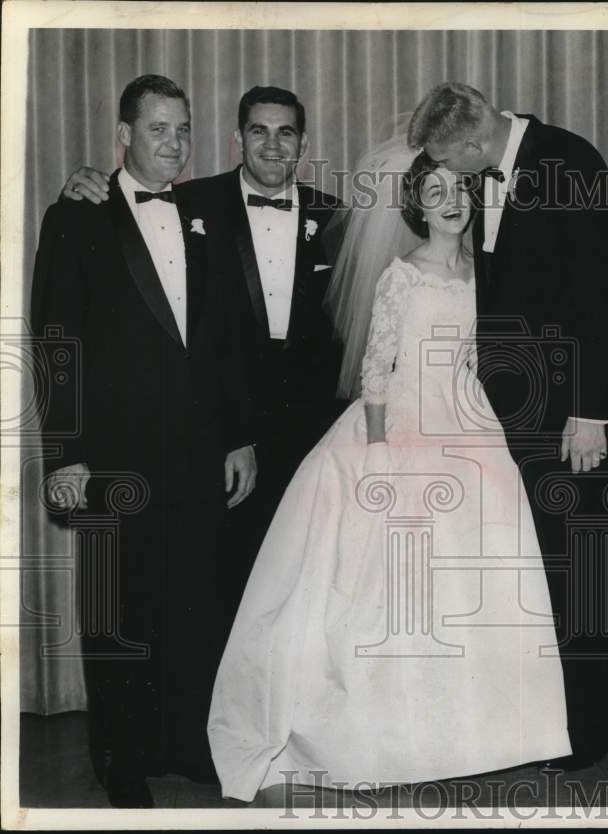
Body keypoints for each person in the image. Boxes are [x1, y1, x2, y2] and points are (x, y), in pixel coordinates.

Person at [207, 150, 572, 800]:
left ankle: (479, 733)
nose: (451, 201)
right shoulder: (401, 276)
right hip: (401, 429)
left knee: (480, 580)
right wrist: (377, 455)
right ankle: (391, 736)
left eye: (459, 188)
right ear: (418, 204)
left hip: (472, 425)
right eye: (435, 191)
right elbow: (375, 371)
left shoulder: (486, 271)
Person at [31, 74, 257, 807]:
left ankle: (184, 745)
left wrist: (239, 438)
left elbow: (224, 343)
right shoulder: (74, 216)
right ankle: (120, 760)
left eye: (184, 129)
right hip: (110, 456)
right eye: (158, 128)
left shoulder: (206, 216)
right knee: (117, 614)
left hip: (197, 453)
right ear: (124, 134)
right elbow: (56, 342)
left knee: (192, 603)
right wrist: (64, 454)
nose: (174, 143)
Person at [61, 86, 348, 620]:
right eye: (258, 130)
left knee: (308, 587)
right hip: (220, 432)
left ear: (303, 143)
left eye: (285, 132)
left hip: (313, 432)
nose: (272, 144)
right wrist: (78, 183)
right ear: (238, 138)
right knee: (219, 588)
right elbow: (122, 214)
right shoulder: (190, 201)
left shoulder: (337, 217)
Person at [407, 82, 608, 772]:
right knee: (546, 571)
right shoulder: (495, 167)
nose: (459, 184)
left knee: (581, 566)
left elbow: (602, 296)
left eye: (459, 167)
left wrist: (592, 412)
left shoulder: (572, 163)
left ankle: (594, 729)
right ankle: (555, 722)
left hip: (572, 417)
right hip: (515, 418)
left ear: (476, 143)